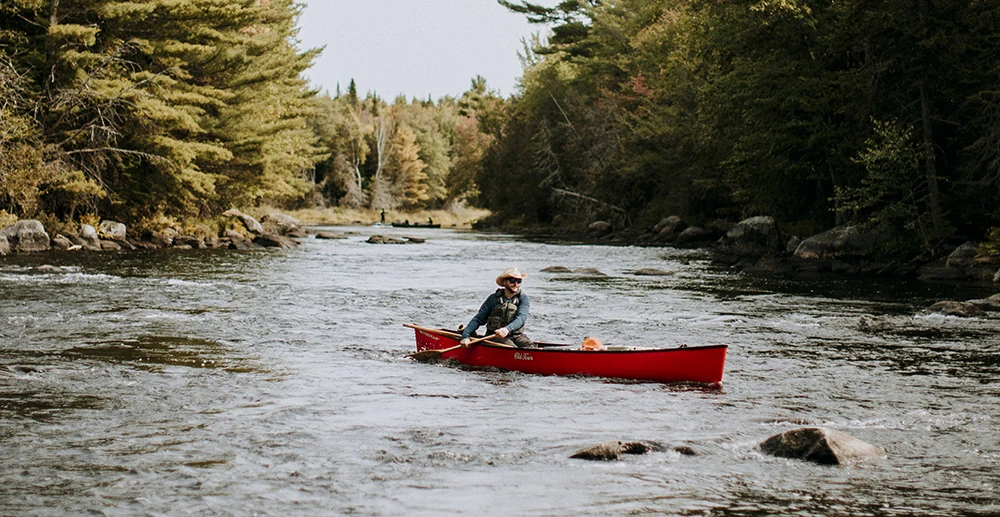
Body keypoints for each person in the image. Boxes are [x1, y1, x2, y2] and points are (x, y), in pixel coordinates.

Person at [459, 267, 535, 348]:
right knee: (512, 348)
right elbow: (478, 319)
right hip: (495, 337)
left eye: (519, 281)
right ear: (505, 282)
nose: (516, 284)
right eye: (512, 280)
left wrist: (507, 329)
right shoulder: (493, 299)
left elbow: (521, 317)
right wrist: (465, 336)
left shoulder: (523, 298)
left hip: (517, 336)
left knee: (530, 347)